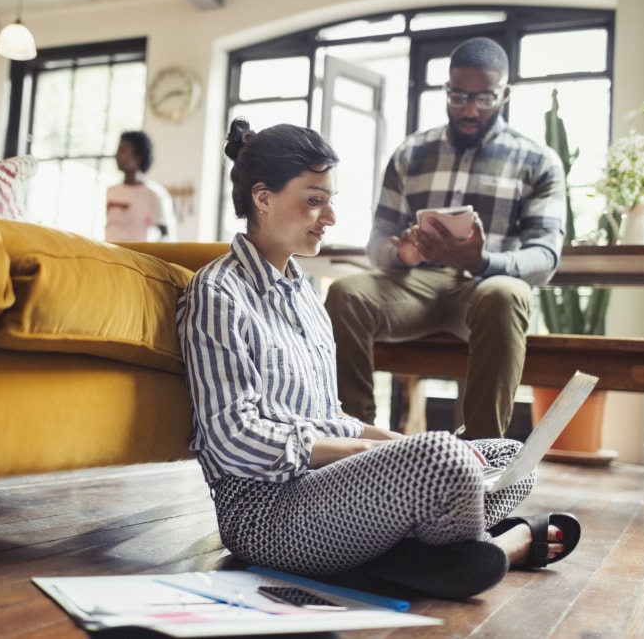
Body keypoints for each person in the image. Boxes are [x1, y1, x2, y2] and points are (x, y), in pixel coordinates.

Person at [176, 116, 580, 601]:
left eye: (330, 201)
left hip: (332, 493)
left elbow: (331, 418)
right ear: (262, 197)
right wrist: (381, 454)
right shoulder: (217, 293)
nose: (328, 218)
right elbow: (232, 438)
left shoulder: (305, 295)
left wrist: (400, 443)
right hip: (267, 515)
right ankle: (480, 546)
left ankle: (419, 552)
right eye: (314, 200)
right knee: (444, 459)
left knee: (511, 456)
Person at [324, 37, 567, 439]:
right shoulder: (410, 153)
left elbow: (544, 255)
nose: (470, 109)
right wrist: (400, 254)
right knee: (347, 293)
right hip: (415, 286)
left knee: (506, 295)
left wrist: (483, 261)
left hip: (486, 287)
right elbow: (378, 238)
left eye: (484, 98)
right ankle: (355, 440)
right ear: (447, 90)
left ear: (504, 94)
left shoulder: (538, 161)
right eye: (458, 96)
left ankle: (482, 452)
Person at [105, 130, 177, 242]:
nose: (117, 155)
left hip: (137, 255)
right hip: (109, 254)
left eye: (122, 151)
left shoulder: (155, 195)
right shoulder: (111, 191)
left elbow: (167, 236)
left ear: (138, 157)